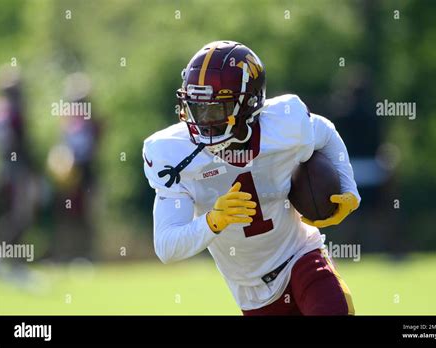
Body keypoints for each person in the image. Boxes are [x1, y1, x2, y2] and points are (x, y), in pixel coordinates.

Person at [142, 41, 360, 315]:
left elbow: (326, 133)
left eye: (216, 109)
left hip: (301, 255)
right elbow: (166, 246)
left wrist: (349, 190)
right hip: (251, 291)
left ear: (247, 104)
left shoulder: (283, 125)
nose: (203, 120)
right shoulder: (172, 153)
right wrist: (212, 222)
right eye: (197, 107)